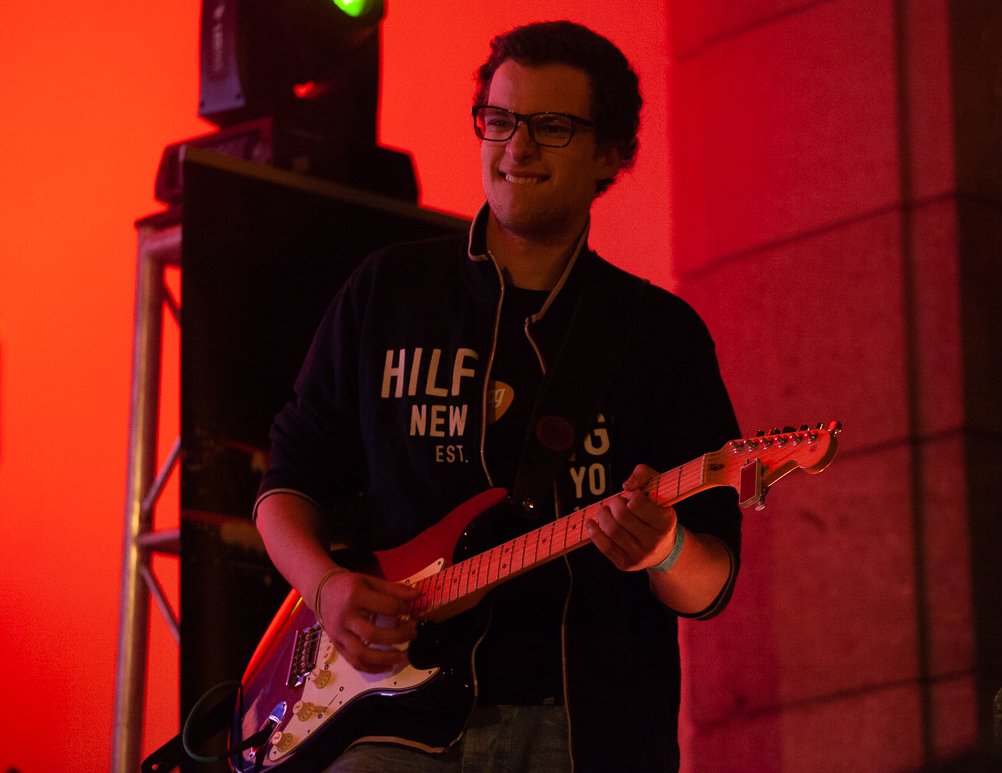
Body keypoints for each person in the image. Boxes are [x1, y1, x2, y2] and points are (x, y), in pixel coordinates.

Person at [253, 19, 742, 773]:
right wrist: (325, 589)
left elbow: (710, 582)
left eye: (551, 127)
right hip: (386, 723)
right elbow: (287, 482)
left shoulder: (660, 335)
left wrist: (663, 548)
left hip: (583, 731)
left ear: (611, 154)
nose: (517, 148)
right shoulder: (388, 291)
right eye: (501, 119)